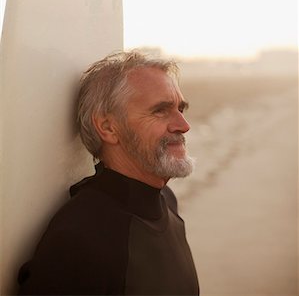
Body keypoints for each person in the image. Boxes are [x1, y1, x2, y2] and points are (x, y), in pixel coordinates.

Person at [18, 50, 200, 295]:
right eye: (160, 110)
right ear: (108, 128)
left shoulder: (166, 199)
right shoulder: (78, 239)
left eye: (181, 108)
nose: (183, 125)